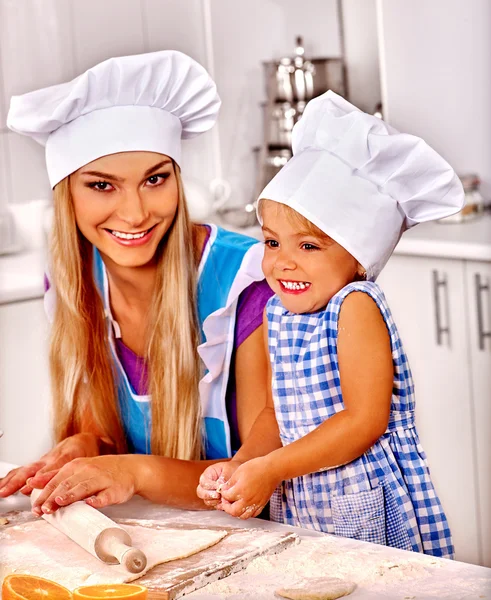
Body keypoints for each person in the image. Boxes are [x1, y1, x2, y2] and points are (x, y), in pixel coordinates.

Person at [0, 50, 273, 515]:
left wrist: (133, 472)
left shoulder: (246, 284)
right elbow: (104, 430)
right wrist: (81, 447)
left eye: (155, 179)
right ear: (67, 192)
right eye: (102, 185)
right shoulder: (75, 281)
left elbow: (255, 476)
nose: (134, 214)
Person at [197, 90, 464, 558]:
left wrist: (274, 469)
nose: (282, 264)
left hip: (360, 502)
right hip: (301, 496)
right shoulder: (279, 311)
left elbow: (363, 421)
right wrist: (243, 464)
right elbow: (278, 413)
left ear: (358, 257)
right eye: (273, 242)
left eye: (309, 247)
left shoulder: (355, 305)